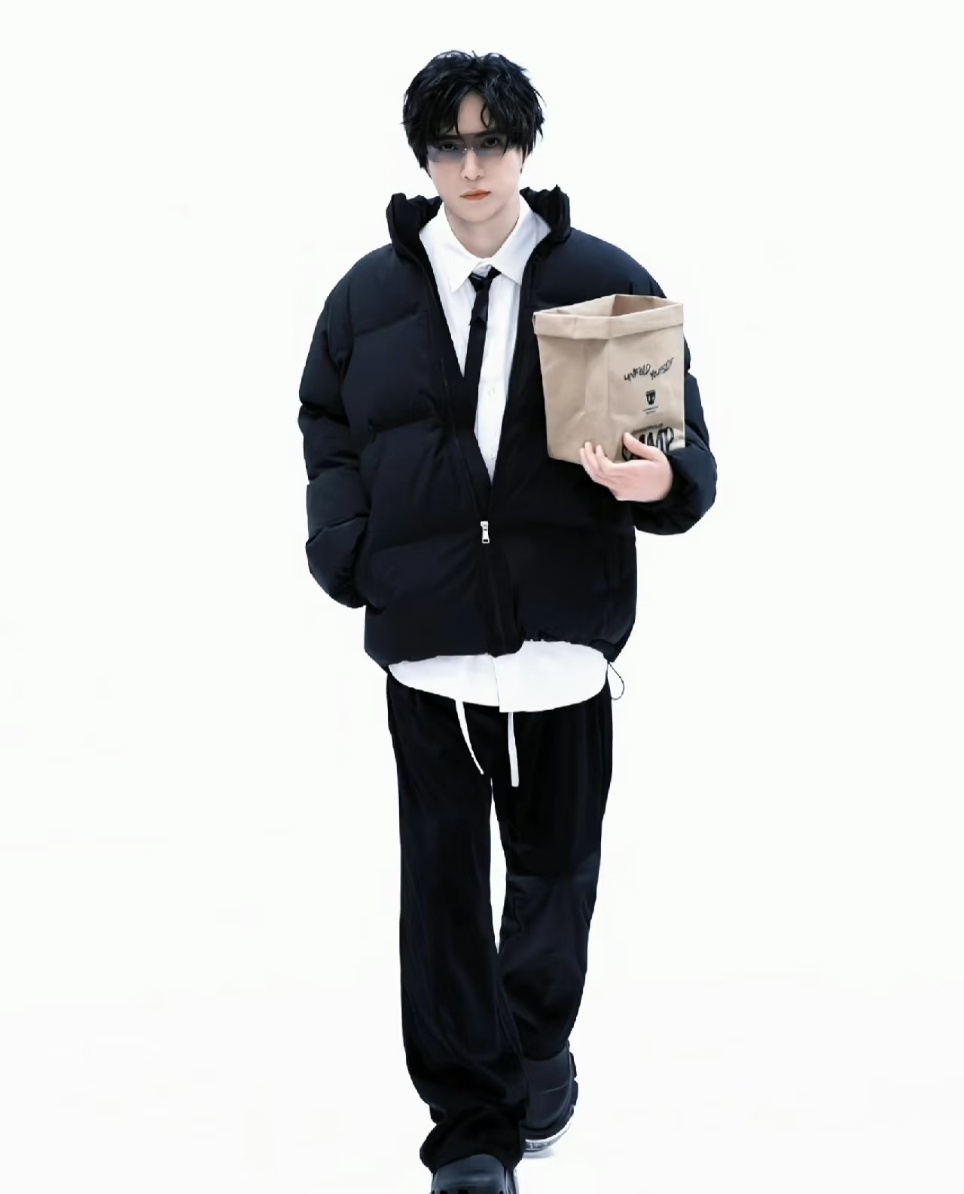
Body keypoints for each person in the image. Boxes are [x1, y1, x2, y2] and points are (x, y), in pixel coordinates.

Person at [297, 49, 716, 1194]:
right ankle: (472, 1134)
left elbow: (683, 448)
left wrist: (662, 481)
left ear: (525, 147)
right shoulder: (368, 295)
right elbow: (326, 422)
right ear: (425, 156)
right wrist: (345, 548)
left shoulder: (601, 281)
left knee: (555, 878)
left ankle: (531, 1048)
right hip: (429, 649)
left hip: (562, 644)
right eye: (450, 145)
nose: (472, 166)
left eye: (492, 142)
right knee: (440, 893)